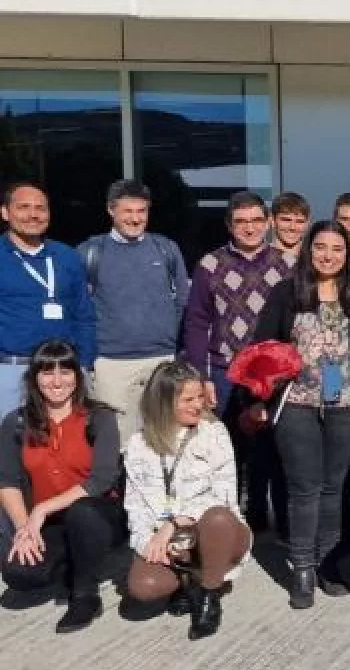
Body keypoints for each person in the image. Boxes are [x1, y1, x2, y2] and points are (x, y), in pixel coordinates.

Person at [250, 221, 350, 608]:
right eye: (321, 247)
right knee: (304, 487)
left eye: (337, 249)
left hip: (343, 401)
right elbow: (264, 347)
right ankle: (303, 568)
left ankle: (329, 563)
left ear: (348, 255)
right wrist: (261, 397)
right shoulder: (286, 293)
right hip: (296, 401)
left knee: (333, 487)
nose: (328, 256)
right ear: (309, 251)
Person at [182, 191, 291, 531]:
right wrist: (201, 377)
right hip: (225, 370)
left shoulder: (287, 264)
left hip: (273, 372)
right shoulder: (210, 265)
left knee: (275, 446)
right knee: (228, 448)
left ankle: (276, 520)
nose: (250, 228)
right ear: (229, 225)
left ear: (268, 222)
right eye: (241, 222)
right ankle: (233, 522)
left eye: (257, 220)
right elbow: (197, 322)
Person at [122, 361, 251, 640]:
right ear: (163, 402)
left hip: (215, 530)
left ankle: (209, 593)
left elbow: (224, 495)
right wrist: (149, 542)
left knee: (218, 518)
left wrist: (177, 522)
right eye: (188, 400)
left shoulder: (213, 433)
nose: (198, 405)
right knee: (143, 587)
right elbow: (135, 506)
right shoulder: (137, 444)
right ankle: (188, 581)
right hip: (170, 539)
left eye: (200, 397)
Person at [0, 341, 121, 633]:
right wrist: (24, 529)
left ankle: (85, 594)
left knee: (82, 512)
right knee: (18, 573)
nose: (57, 381)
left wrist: (42, 508)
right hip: (51, 523)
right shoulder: (16, 422)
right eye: (47, 372)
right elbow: (7, 480)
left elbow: (102, 479)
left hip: (99, 515)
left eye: (65, 372)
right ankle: (73, 561)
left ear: (78, 376)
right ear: (34, 378)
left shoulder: (99, 418)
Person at [79, 179, 189, 445]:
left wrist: (167, 338)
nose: (135, 218)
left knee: (164, 438)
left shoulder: (166, 249)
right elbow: (79, 308)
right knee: (115, 441)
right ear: (111, 210)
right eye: (127, 211)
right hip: (111, 363)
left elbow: (182, 301)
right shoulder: (90, 252)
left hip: (161, 359)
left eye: (142, 211)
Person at [0, 182, 95, 415]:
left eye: (40, 208)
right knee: (9, 436)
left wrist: (84, 364)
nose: (33, 215)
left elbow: (84, 314)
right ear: (5, 212)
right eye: (23, 207)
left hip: (62, 370)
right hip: (11, 370)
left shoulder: (67, 256)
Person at [270, 192, 311, 264]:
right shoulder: (258, 261)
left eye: (299, 221)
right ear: (273, 221)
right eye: (286, 220)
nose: (292, 227)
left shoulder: (316, 261)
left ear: (307, 224)